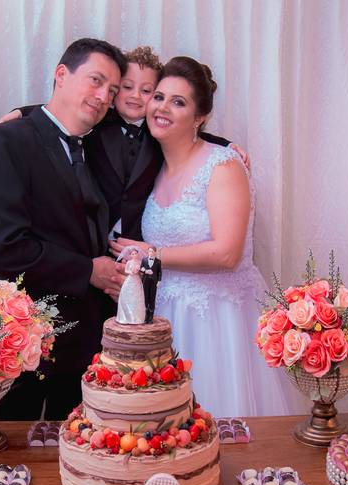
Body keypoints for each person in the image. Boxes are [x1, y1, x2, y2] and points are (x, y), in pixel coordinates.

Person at [111, 56, 293, 417]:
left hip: (219, 320)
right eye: (159, 97)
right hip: (165, 317)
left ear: (200, 117)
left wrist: (152, 253)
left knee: (219, 421)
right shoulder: (153, 169)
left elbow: (227, 253)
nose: (162, 108)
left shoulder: (223, 165)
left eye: (178, 102)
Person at [0, 38, 127, 420]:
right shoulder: (6, 141)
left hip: (81, 347)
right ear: (61, 75)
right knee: (8, 450)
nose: (103, 97)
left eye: (112, 91)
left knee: (78, 450)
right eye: (96, 80)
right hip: (15, 340)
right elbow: (5, 245)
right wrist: (89, 270)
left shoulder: (96, 147)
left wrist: (222, 144)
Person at [0, 46, 246, 249]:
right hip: (94, 243)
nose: (135, 96)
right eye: (126, 87)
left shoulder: (159, 132)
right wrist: (21, 112)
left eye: (147, 91)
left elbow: (190, 132)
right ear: (114, 90)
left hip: (139, 243)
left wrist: (227, 144)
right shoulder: (95, 123)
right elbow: (61, 111)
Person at [115, 246, 145, 324]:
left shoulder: (139, 262)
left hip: (137, 279)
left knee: (137, 295)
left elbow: (142, 270)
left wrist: (140, 271)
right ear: (130, 255)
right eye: (132, 254)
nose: (134, 255)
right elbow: (126, 270)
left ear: (137, 254)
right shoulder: (129, 262)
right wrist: (131, 272)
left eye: (135, 253)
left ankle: (138, 317)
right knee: (127, 293)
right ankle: (127, 317)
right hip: (131, 278)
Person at [140, 246, 161, 323]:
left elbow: (159, 272)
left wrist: (159, 281)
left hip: (154, 282)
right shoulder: (144, 259)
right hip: (145, 281)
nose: (150, 253)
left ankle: (151, 317)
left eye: (152, 251)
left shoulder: (158, 261)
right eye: (149, 251)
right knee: (145, 298)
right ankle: (145, 316)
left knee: (152, 298)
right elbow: (141, 268)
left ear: (155, 252)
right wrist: (145, 271)